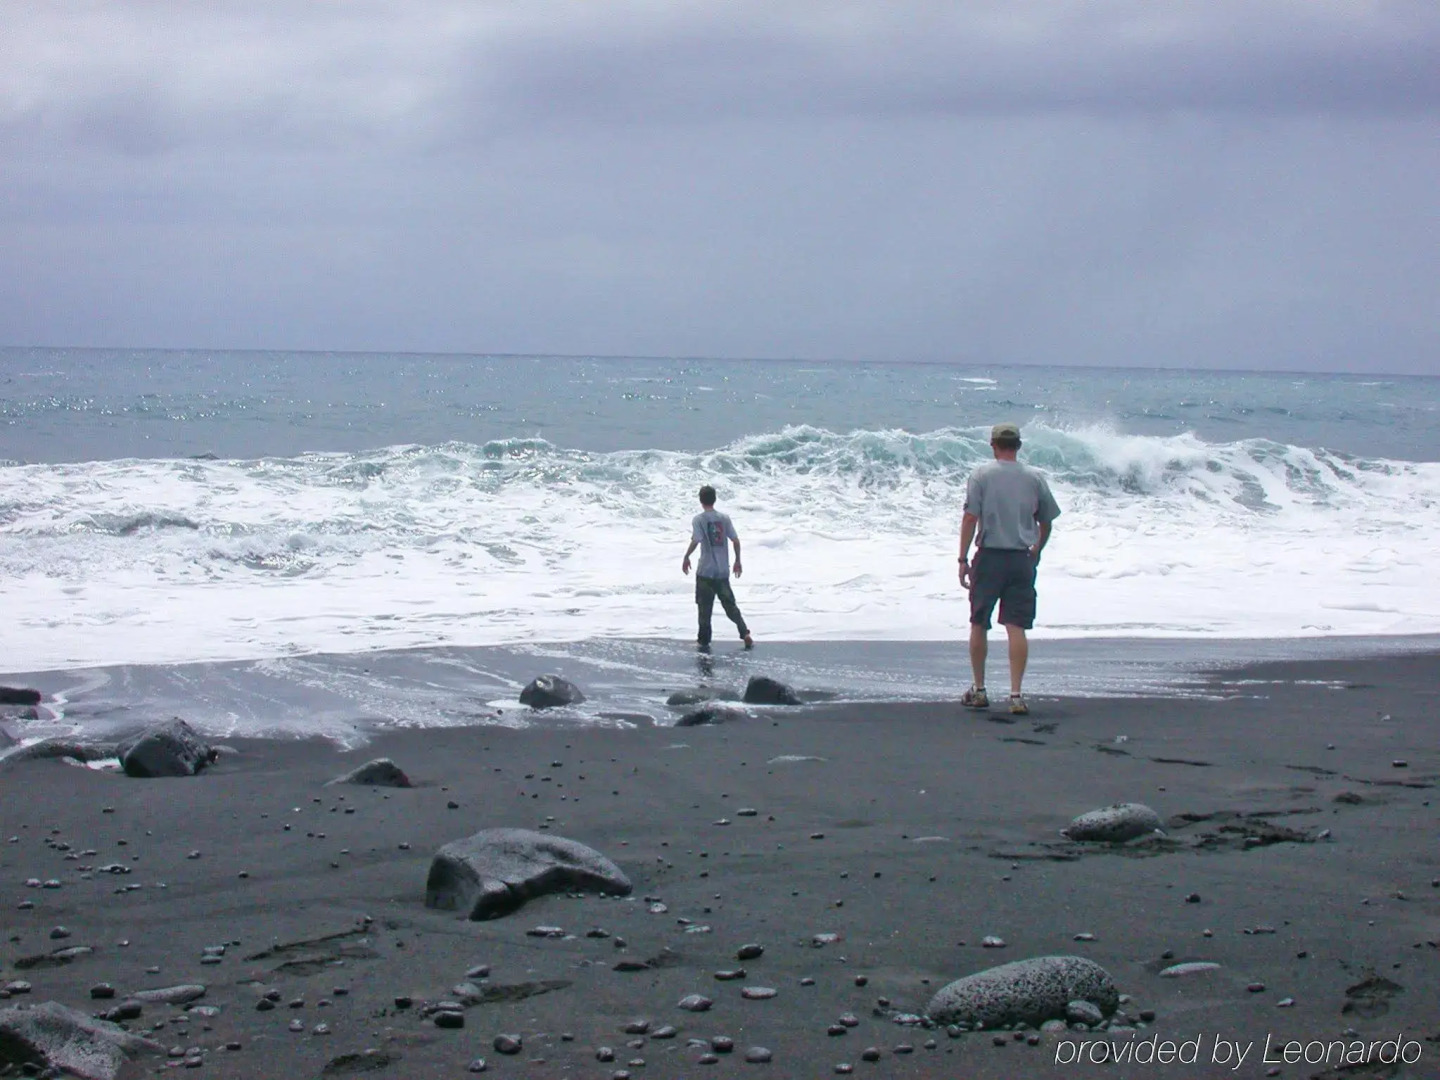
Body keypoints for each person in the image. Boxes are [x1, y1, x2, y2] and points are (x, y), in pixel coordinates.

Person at [957, 422, 1061, 715]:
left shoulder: (981, 475)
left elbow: (970, 518)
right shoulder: (1034, 477)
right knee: (1016, 626)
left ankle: (979, 689)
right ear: (1018, 445)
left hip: (989, 557)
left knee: (979, 622)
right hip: (1020, 559)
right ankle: (1015, 695)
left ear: (993, 445)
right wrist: (1037, 549)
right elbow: (1047, 519)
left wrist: (963, 559)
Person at [682, 485, 753, 650]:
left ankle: (704, 641)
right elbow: (735, 540)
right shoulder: (725, 518)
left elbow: (697, 540)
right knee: (730, 606)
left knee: (704, 610)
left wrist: (686, 556)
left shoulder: (698, 520)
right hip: (722, 571)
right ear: (714, 499)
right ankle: (745, 633)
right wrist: (737, 561)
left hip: (705, 572)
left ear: (700, 500)